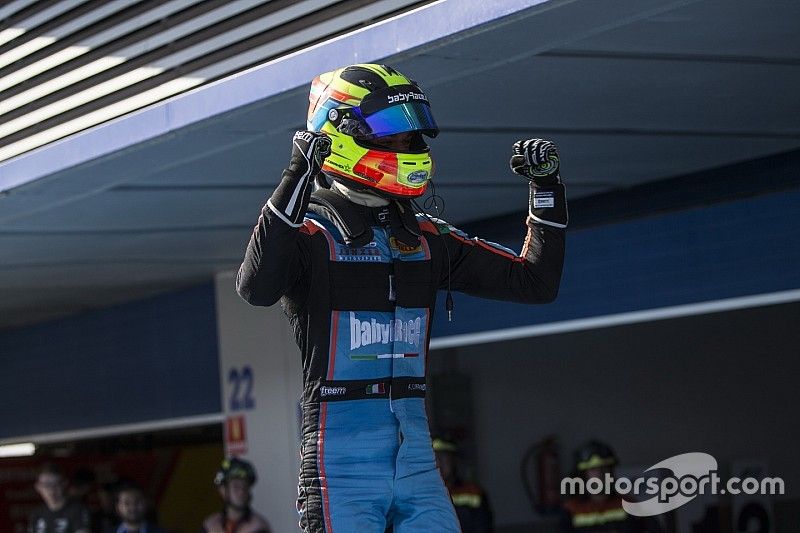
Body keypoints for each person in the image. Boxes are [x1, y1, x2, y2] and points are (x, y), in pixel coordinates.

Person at [236, 63, 567, 532]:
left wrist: (546, 188)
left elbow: (534, 283)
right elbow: (256, 288)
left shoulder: (427, 238)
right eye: (391, 134)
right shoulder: (309, 233)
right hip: (339, 464)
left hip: (416, 459)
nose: (407, 145)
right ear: (339, 133)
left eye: (412, 135)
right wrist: (296, 175)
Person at [560, 441, 664, 532]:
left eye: (604, 468)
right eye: (593, 469)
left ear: (612, 471)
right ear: (583, 474)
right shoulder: (571, 510)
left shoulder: (631, 506)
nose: (600, 474)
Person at [433, 437, 493, 533]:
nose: (438, 463)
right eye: (434, 458)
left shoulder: (473, 492)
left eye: (443, 456)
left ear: (453, 460)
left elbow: (483, 527)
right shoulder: (417, 495)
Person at [202, 458, 271, 533]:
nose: (241, 491)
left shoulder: (258, 526)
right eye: (236, 486)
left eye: (245, 486)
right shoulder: (210, 525)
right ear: (223, 490)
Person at [29, 463, 92, 533]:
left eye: (56, 484)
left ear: (64, 484)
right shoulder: (37, 513)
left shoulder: (77, 510)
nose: (51, 490)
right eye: (46, 485)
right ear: (38, 487)